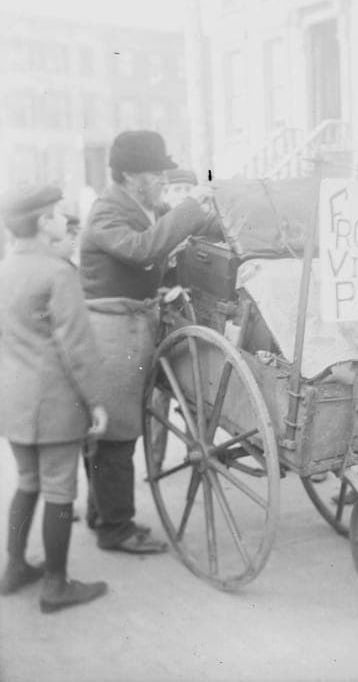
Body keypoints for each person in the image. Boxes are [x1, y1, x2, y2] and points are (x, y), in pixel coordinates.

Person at [79, 130, 220, 554]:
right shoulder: (106, 213)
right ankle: (115, 527)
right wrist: (194, 207)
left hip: (133, 323)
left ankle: (100, 512)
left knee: (114, 427)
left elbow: (183, 223)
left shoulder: (143, 204)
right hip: (111, 330)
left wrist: (225, 210)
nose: (162, 179)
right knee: (117, 432)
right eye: (155, 173)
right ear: (130, 175)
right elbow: (145, 249)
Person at [0, 185, 109, 613]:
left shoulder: (5, 269)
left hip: (13, 399)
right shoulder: (58, 272)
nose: (65, 220)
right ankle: (56, 585)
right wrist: (97, 400)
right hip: (54, 401)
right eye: (60, 214)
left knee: (27, 483)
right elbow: (77, 348)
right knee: (61, 489)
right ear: (45, 223)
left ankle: (13, 568)